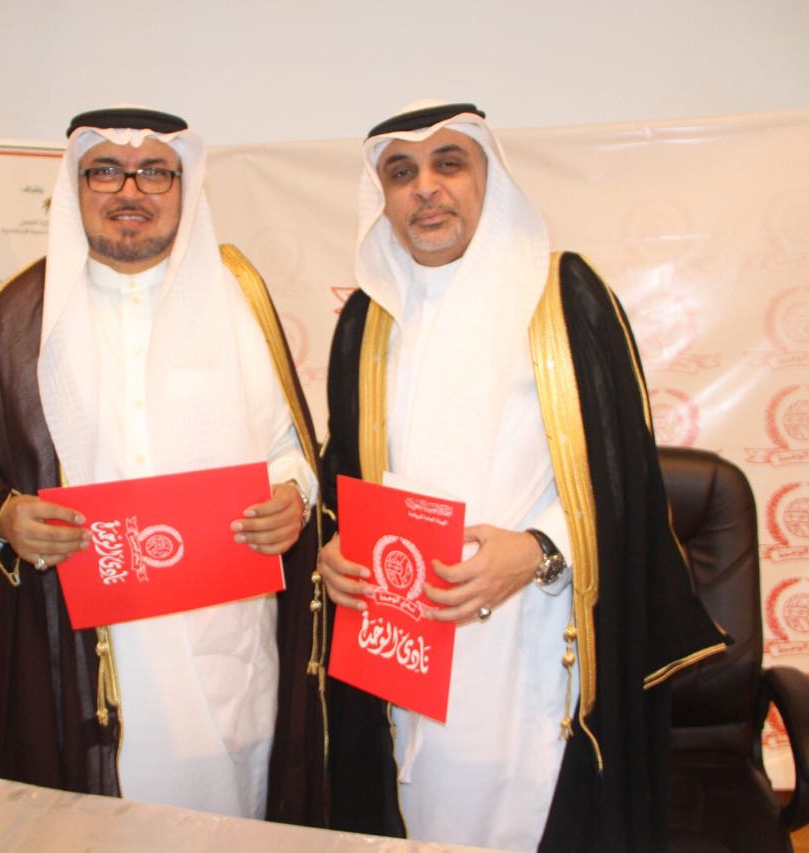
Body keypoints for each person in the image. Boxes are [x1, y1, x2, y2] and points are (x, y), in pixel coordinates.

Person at [317, 101, 726, 851]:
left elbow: (623, 475)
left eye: (448, 163)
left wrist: (538, 551)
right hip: (404, 639)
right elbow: (345, 474)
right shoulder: (366, 322)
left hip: (538, 628)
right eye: (401, 172)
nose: (425, 187)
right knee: (418, 809)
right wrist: (337, 547)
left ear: (488, 178)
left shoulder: (563, 296)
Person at [0, 107, 325, 826]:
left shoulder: (238, 298)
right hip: (87, 644)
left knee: (232, 816)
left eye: (154, 172)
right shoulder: (24, 313)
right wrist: (7, 516)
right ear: (75, 187)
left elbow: (287, 443)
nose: (129, 190)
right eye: (104, 171)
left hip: (226, 636)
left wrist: (292, 492)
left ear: (184, 185)